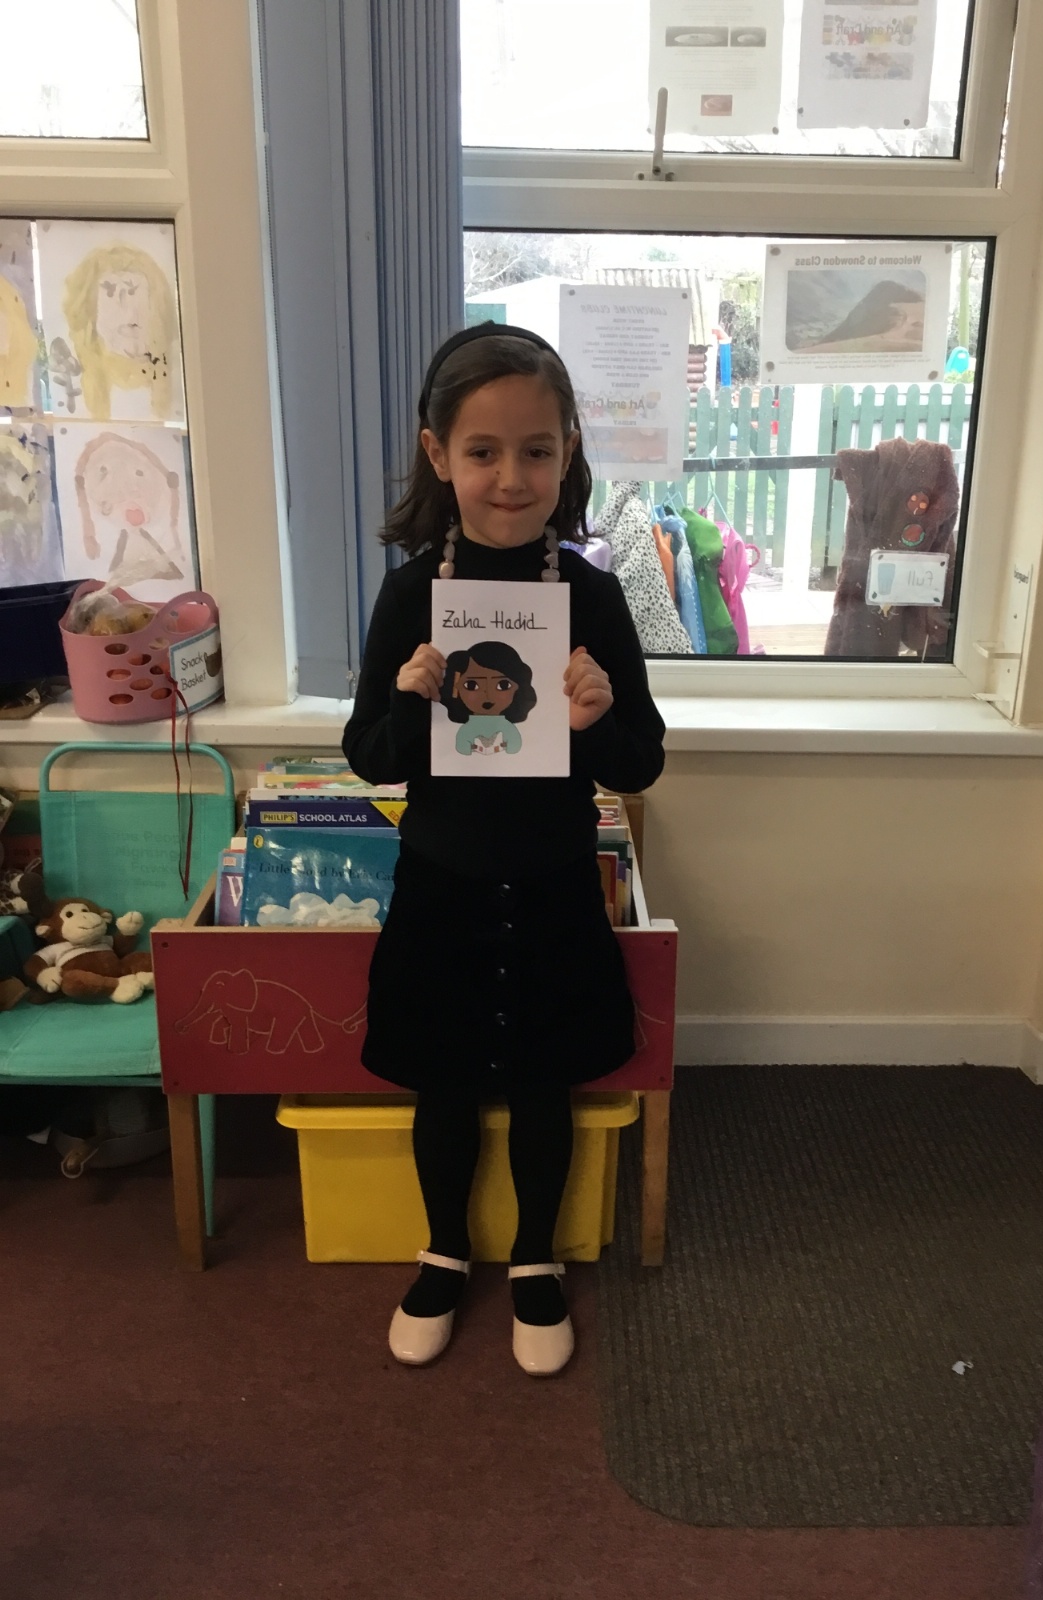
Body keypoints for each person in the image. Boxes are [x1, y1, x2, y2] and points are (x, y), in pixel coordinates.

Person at [342, 323, 665, 1377]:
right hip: (443, 880)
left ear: (569, 452)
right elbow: (370, 759)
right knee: (441, 1083)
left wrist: (597, 718)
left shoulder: (592, 595)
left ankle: (535, 1258)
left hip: (554, 880)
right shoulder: (409, 596)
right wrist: (407, 700)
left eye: (537, 449)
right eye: (483, 451)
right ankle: (443, 1250)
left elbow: (643, 760)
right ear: (438, 454)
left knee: (542, 1084)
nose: (512, 477)